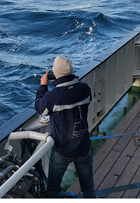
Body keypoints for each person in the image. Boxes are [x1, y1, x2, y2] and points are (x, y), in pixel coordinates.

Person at [35, 56, 95, 198]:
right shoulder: (84, 88)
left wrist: (43, 86)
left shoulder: (53, 96)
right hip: (84, 146)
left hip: (63, 149)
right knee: (88, 187)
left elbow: (40, 108)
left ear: (55, 73)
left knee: (53, 188)